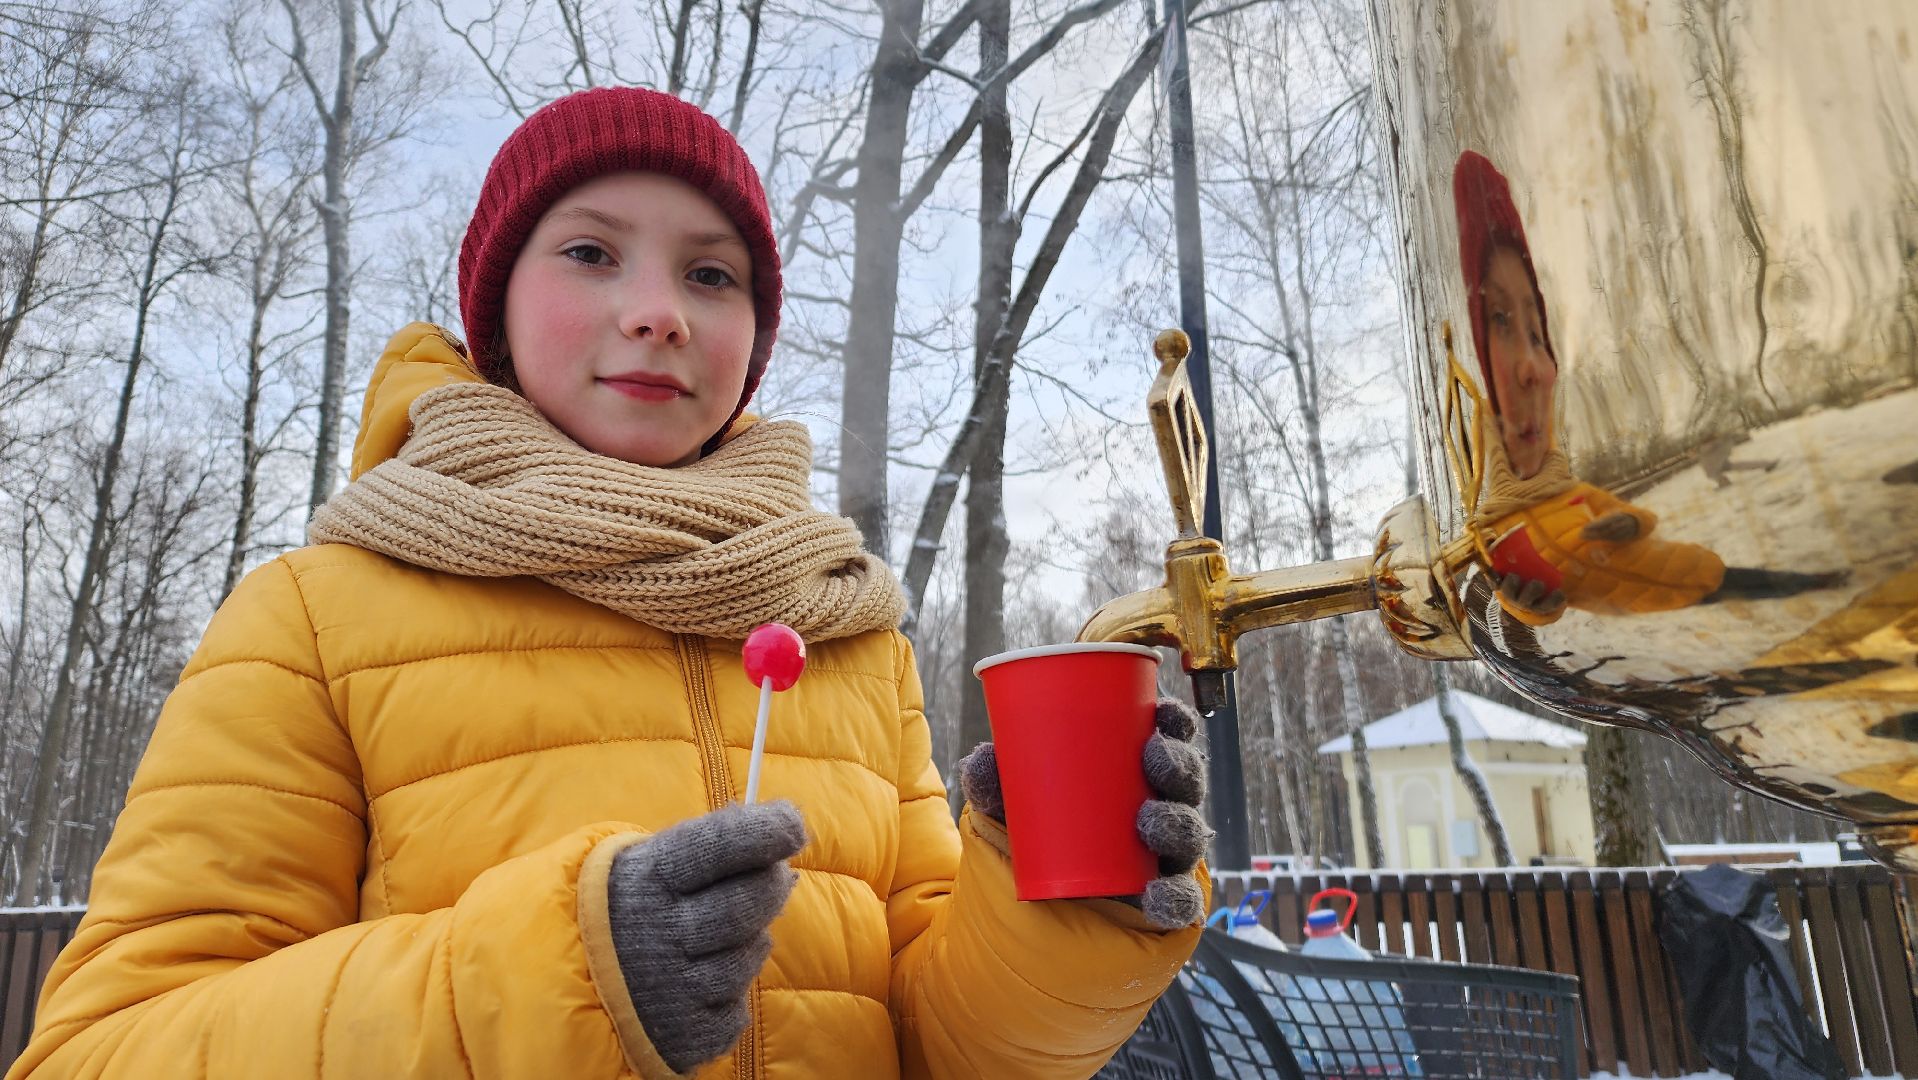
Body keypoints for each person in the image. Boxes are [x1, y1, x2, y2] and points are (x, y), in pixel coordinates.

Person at [9, 87, 1210, 1080]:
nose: (656, 315)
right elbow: (101, 1051)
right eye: (591, 253)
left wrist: (1060, 912)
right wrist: (559, 978)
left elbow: (942, 1049)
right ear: (494, 304)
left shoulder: (846, 630)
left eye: (711, 277)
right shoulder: (315, 616)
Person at [1451, 150, 1843, 628]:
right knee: (1761, 615)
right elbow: (1522, 604)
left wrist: (1630, 524)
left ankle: (1824, 583)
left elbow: (1634, 515)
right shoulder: (1491, 528)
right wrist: (1530, 607)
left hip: (1691, 571)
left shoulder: (1565, 485)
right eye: (1500, 321)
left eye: (1538, 333)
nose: (1534, 364)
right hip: (1660, 623)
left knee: (1770, 592)